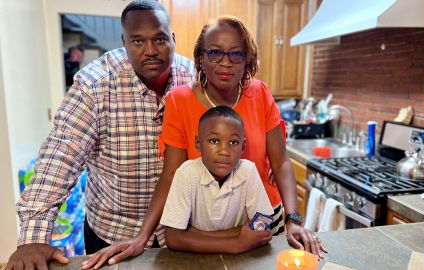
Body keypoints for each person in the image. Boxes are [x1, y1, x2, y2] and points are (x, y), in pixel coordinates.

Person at [83, 15, 326, 269]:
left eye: (236, 54)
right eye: (215, 53)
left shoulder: (260, 94)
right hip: (208, 229)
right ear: (200, 57)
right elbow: (171, 174)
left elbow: (281, 162)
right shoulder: (179, 101)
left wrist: (294, 219)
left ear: (247, 59)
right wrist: (142, 237)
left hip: (262, 222)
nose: (225, 63)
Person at [5, 1, 195, 270]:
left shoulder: (194, 79)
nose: (151, 50)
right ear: (124, 42)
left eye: (160, 39)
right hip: (113, 235)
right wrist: (33, 238)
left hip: (182, 232)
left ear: (173, 38)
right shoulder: (95, 86)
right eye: (138, 41)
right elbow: (60, 157)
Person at [161, 106, 273, 253]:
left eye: (233, 142)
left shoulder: (248, 171)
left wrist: (198, 234)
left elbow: (262, 225)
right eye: (214, 141)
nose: (224, 151)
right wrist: (236, 244)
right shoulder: (186, 173)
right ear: (198, 143)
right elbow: (173, 238)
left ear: (243, 146)